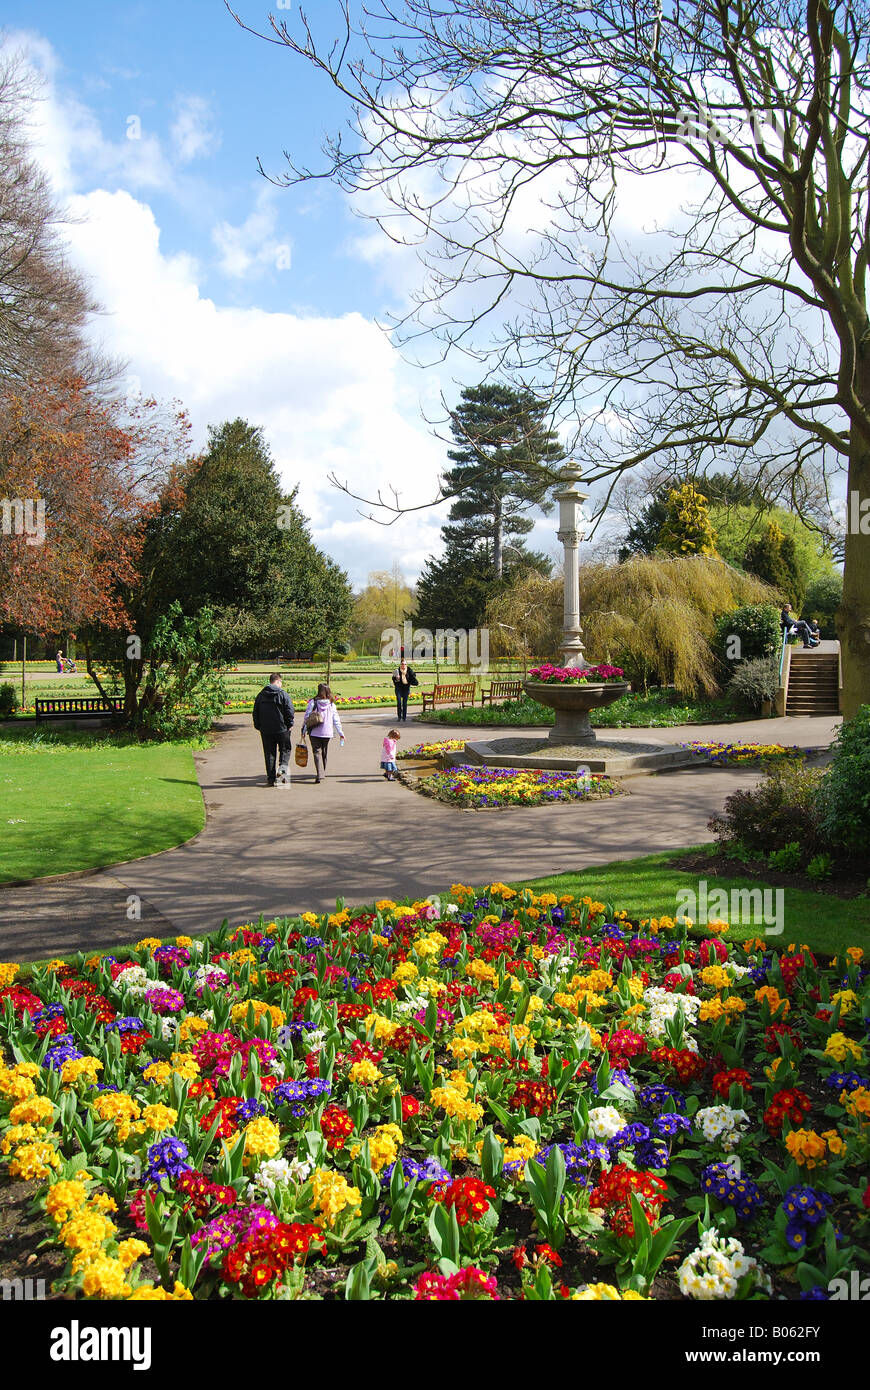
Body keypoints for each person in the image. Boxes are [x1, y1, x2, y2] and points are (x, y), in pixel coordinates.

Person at [252, 672, 295, 787]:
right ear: (278, 681)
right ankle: (282, 775)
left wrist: (258, 726)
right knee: (285, 751)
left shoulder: (261, 695)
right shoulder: (283, 694)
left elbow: (255, 712)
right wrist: (290, 724)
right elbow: (289, 711)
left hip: (266, 730)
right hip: (282, 729)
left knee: (269, 754)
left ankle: (270, 779)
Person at [303, 683, 345, 783]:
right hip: (327, 732)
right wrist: (340, 732)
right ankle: (322, 772)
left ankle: (320, 773)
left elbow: (307, 718)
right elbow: (336, 720)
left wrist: (303, 730)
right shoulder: (331, 704)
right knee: (324, 752)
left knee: (317, 752)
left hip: (314, 731)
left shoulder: (313, 702)